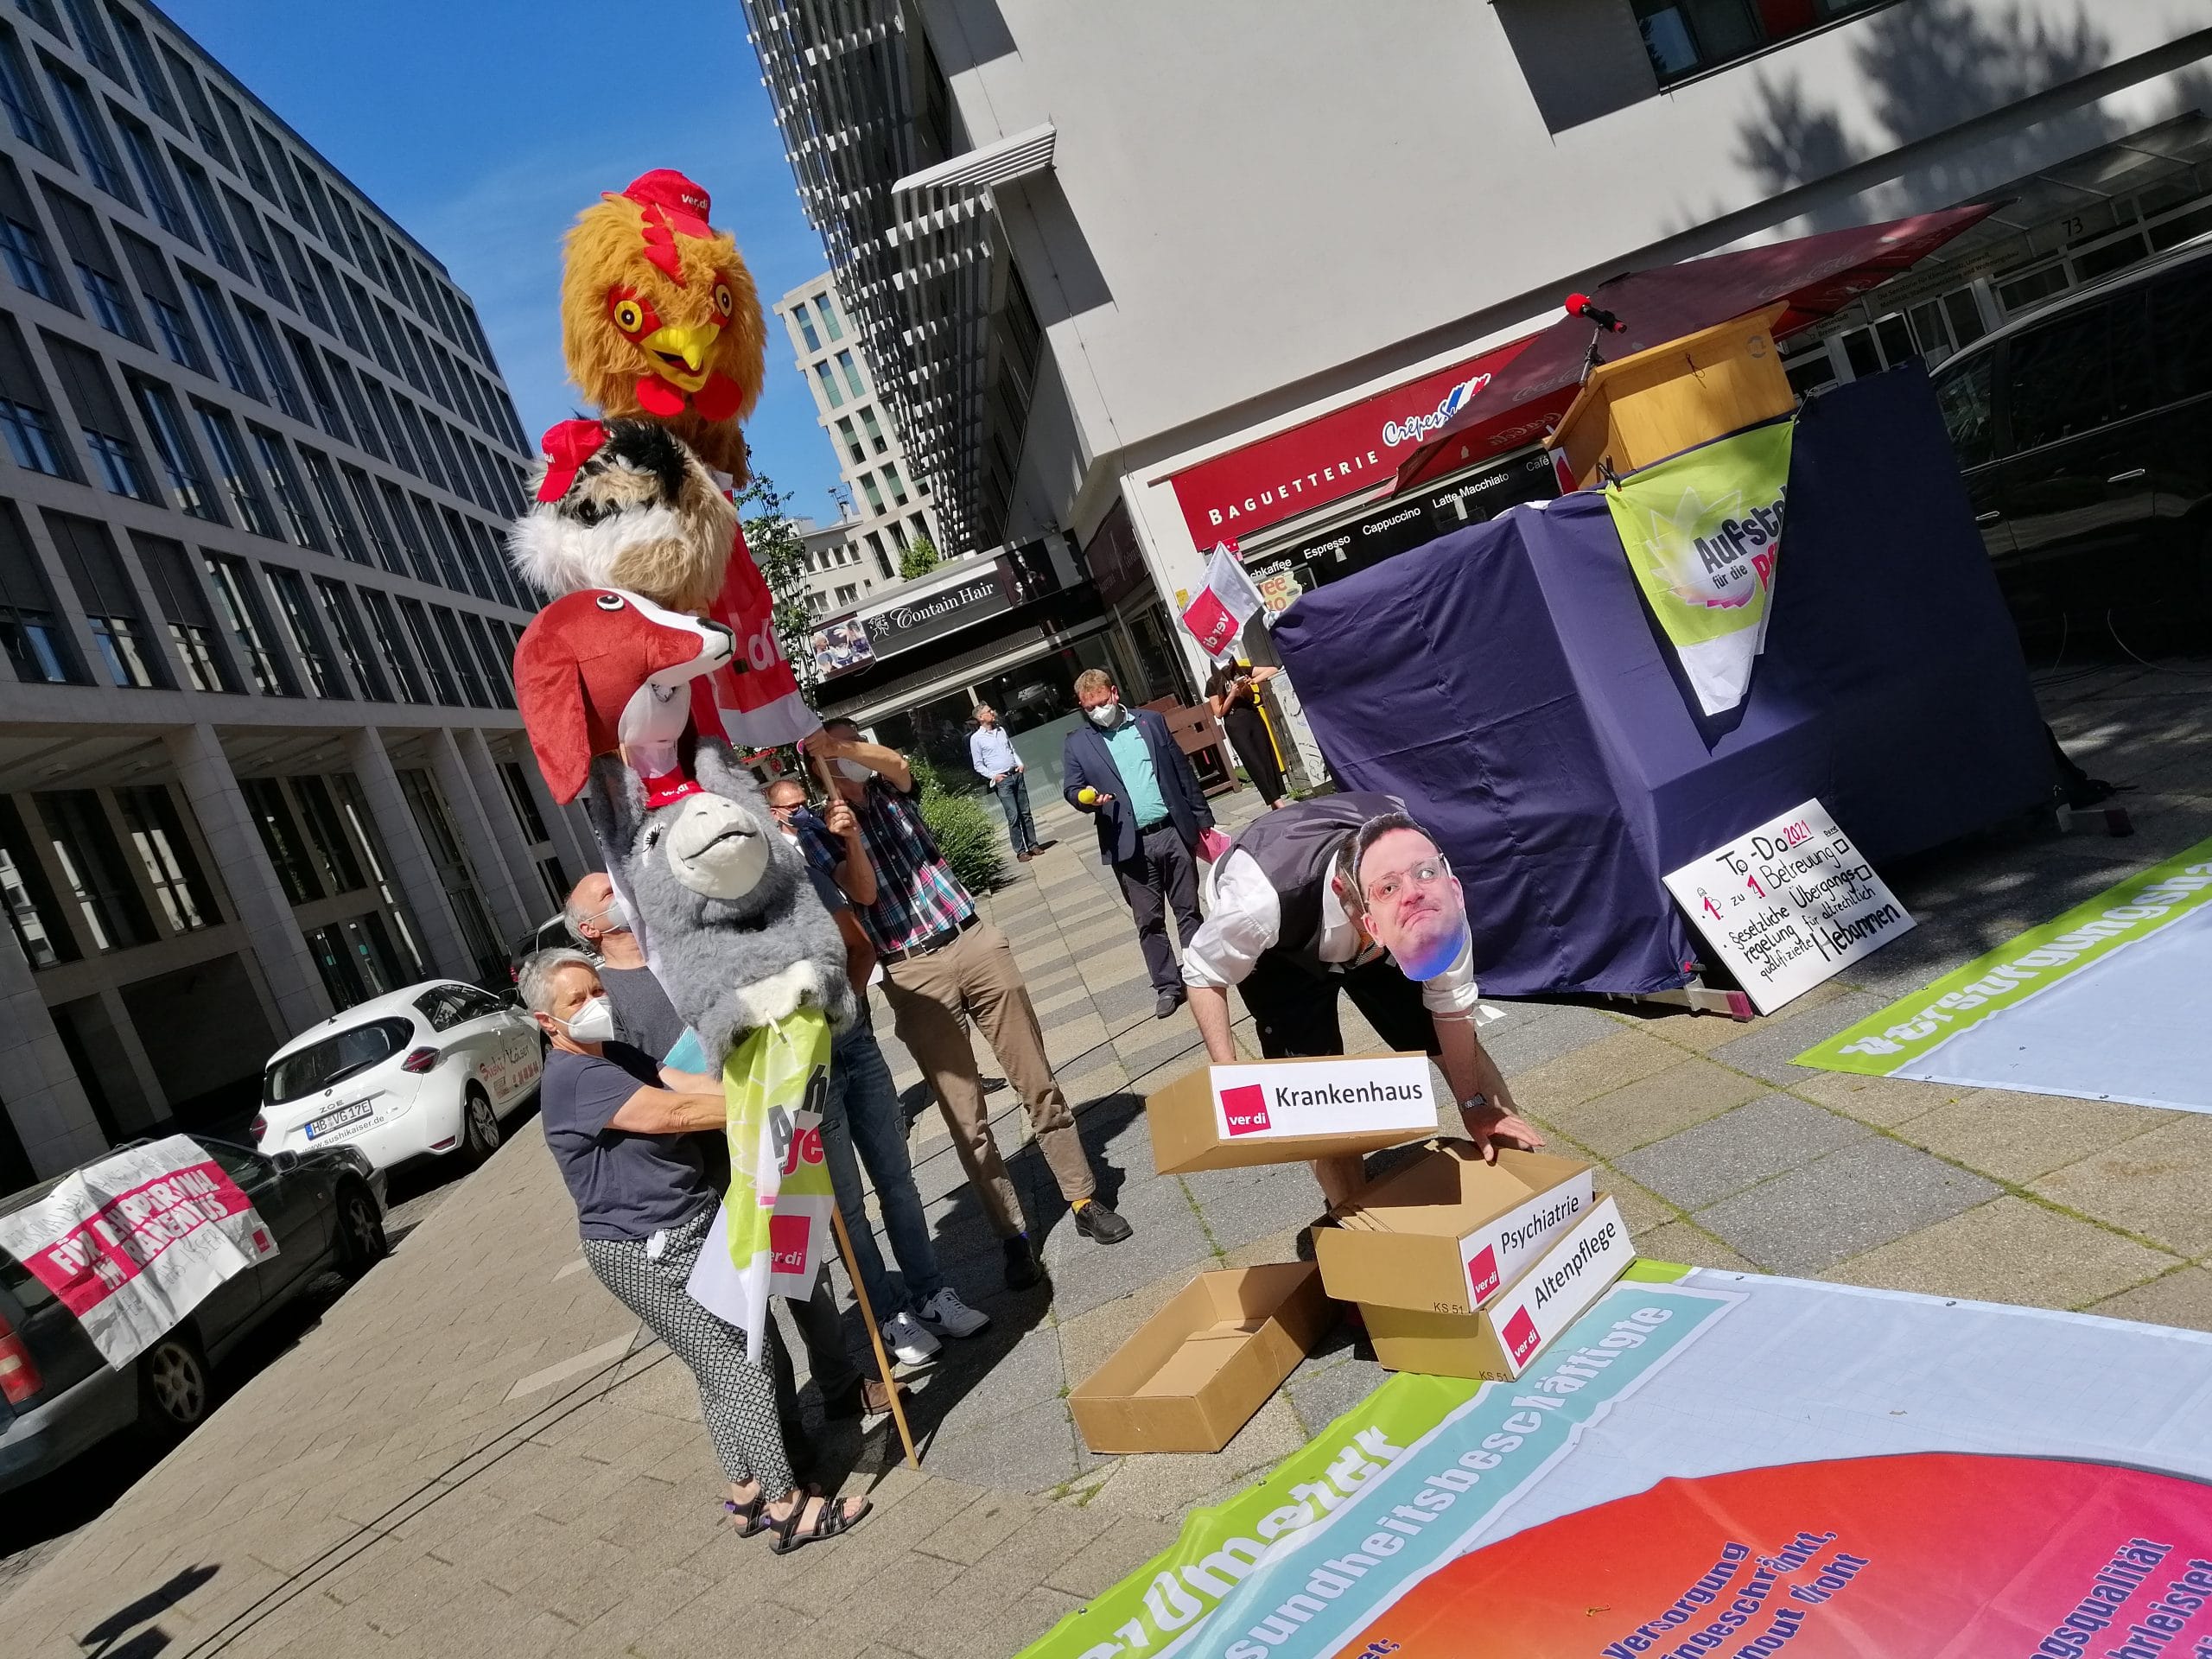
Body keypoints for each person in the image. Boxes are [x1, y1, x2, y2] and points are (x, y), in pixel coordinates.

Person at [524, 948, 868, 1552]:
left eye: (596, 991)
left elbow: (690, 1084)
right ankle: (788, 1509)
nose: (595, 1004)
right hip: (642, 1250)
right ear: (547, 1023)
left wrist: (765, 1077)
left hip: (693, 1223)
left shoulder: (616, 1055)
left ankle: (746, 1492)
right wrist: (765, 1105)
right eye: (576, 1001)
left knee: (719, 1367)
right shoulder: (574, 1078)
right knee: (742, 1364)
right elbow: (674, 1112)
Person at [798, 716, 1134, 1288]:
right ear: (818, 767)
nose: (855, 753)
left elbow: (899, 767)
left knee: (1036, 1079)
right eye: (839, 748)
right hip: (912, 969)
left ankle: (1082, 1200)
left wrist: (848, 747)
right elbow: (864, 892)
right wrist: (848, 836)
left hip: (971, 937)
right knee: (965, 1116)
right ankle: (1013, 1235)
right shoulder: (817, 825)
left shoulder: (889, 785)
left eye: (857, 741)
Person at [563, 874, 915, 1411]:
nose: (622, 893)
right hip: (705, 1169)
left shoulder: (685, 956)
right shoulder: (605, 998)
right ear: (589, 928)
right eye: (606, 894)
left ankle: (843, 1386)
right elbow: (645, 1091)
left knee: (806, 1269)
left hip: (768, 1138)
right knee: (749, 1297)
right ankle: (779, 1425)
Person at [1178, 798, 1543, 1208]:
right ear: (1350, 900)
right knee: (1316, 1093)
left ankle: (1526, 1181)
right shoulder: (1256, 904)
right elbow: (1203, 976)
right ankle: (1355, 1222)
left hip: (1368, 916)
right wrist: (1228, 1077)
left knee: (1455, 1051)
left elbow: (1451, 1009)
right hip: (1281, 949)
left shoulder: (1429, 893)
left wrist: (1474, 1103)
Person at [761, 779, 993, 1357]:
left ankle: (932, 1291)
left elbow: (860, 943)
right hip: (802, 1068)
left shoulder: (802, 875)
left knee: (897, 1179)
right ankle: (889, 1315)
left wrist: (848, 1004)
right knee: (848, 1204)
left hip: (853, 1041)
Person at [1062, 670, 1215, 1019]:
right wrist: (1086, 799)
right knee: (1149, 920)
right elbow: (1072, 788)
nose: (1097, 711)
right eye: (1089, 707)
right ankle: (1167, 986)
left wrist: (1202, 820)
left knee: (1188, 909)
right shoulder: (1077, 743)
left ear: (1114, 693)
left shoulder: (1151, 723)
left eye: (1101, 703)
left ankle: (1198, 971)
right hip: (1129, 844)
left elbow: (1181, 771)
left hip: (1172, 830)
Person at [969, 703, 1049, 862]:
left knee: (1025, 812)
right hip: (1002, 780)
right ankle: (1020, 851)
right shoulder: (976, 739)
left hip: (1016, 774)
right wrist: (994, 776)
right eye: (988, 712)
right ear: (980, 718)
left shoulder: (1001, 730)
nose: (992, 713)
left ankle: (1033, 845)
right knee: (1013, 815)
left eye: (991, 710)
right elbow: (978, 765)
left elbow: (1011, 749)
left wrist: (1019, 764)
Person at [1205, 658, 1287, 808]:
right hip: (1235, 723)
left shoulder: (1241, 671)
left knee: (1266, 757)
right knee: (1253, 762)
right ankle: (1276, 801)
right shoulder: (1212, 683)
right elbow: (1218, 712)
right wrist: (1232, 695)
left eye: (1230, 661)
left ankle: (1276, 799)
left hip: (1253, 716)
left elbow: (1272, 669)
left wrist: (1252, 681)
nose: (1229, 665)